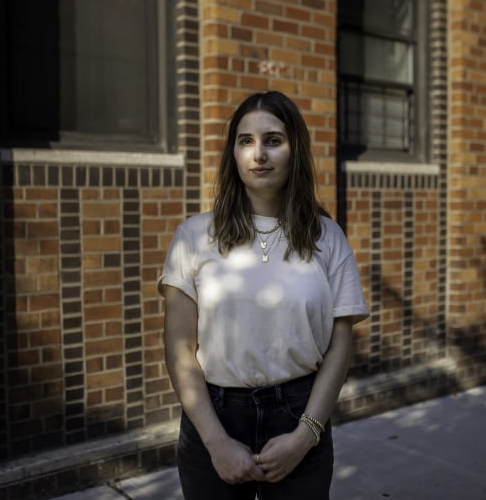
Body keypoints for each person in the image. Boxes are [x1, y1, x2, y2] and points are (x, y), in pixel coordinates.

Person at [158, 90, 369, 500]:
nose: (259, 154)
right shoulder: (194, 236)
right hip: (212, 416)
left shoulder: (328, 238)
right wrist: (216, 443)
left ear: (295, 151)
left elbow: (340, 343)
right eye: (246, 141)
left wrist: (305, 436)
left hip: (300, 412)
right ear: (233, 154)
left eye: (273, 140)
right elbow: (180, 349)